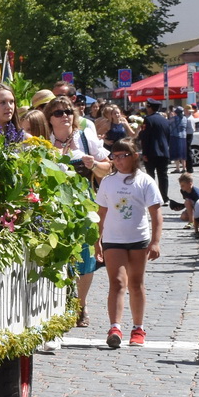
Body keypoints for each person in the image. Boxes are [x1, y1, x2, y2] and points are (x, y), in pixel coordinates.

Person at [94, 138, 162, 349]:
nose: (119, 160)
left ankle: (138, 328)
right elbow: (101, 213)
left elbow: (156, 213)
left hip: (138, 239)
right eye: (115, 156)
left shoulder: (145, 181)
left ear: (134, 156)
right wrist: (97, 240)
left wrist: (155, 241)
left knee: (136, 283)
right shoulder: (107, 181)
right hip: (113, 239)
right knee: (116, 282)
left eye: (124, 156)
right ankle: (115, 327)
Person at [46, 102, 109, 325]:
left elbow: (108, 167)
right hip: (54, 207)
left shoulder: (85, 138)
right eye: (58, 113)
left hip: (85, 206)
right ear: (50, 118)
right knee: (57, 255)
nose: (65, 116)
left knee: (86, 257)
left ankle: (80, 305)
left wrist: (93, 165)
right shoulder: (45, 141)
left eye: (68, 112)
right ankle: (60, 303)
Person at [139, 100, 175, 201]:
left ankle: (152, 197)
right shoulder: (165, 120)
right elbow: (168, 136)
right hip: (163, 152)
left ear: (150, 107)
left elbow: (145, 138)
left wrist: (144, 153)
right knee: (163, 176)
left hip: (151, 152)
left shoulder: (148, 120)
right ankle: (164, 197)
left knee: (150, 176)